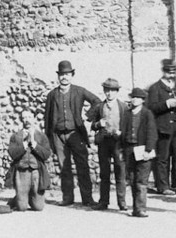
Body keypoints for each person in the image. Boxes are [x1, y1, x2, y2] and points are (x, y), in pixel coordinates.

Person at [42, 59, 100, 206]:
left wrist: (87, 118)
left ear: (72, 75)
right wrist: (49, 138)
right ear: (58, 76)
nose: (64, 77)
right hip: (58, 136)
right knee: (64, 167)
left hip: (76, 134)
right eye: (62, 74)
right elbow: (47, 119)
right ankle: (68, 198)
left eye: (67, 74)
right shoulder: (52, 95)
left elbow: (97, 102)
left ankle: (87, 198)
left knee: (82, 166)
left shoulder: (79, 91)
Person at [146, 58, 176, 195]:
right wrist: (167, 104)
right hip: (162, 128)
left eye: (173, 72)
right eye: (169, 72)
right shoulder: (155, 88)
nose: (172, 75)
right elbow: (151, 108)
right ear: (164, 72)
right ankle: (163, 187)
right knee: (162, 158)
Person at [89, 78, 128, 211]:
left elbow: (128, 126)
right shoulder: (99, 106)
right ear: (104, 91)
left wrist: (121, 132)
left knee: (120, 172)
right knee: (104, 173)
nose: (109, 93)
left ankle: (122, 203)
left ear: (117, 92)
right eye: (107, 90)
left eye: (112, 90)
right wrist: (98, 124)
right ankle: (103, 202)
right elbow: (92, 126)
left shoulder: (123, 107)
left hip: (118, 143)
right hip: (104, 142)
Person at [120, 88, 158, 218]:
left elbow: (152, 133)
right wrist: (121, 149)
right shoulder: (127, 114)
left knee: (141, 180)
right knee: (132, 179)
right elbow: (123, 132)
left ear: (142, 100)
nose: (135, 99)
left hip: (142, 150)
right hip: (129, 150)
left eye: (138, 97)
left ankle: (141, 208)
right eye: (133, 97)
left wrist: (148, 150)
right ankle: (135, 208)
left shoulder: (147, 114)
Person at [7, 109, 52, 212]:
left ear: (33, 119)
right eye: (24, 118)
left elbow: (46, 154)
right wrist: (25, 144)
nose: (26, 120)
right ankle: (18, 199)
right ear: (21, 120)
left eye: (29, 117)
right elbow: (12, 154)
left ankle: (31, 196)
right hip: (21, 172)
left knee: (38, 207)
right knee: (22, 208)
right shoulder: (15, 136)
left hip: (36, 172)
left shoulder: (41, 136)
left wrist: (34, 143)